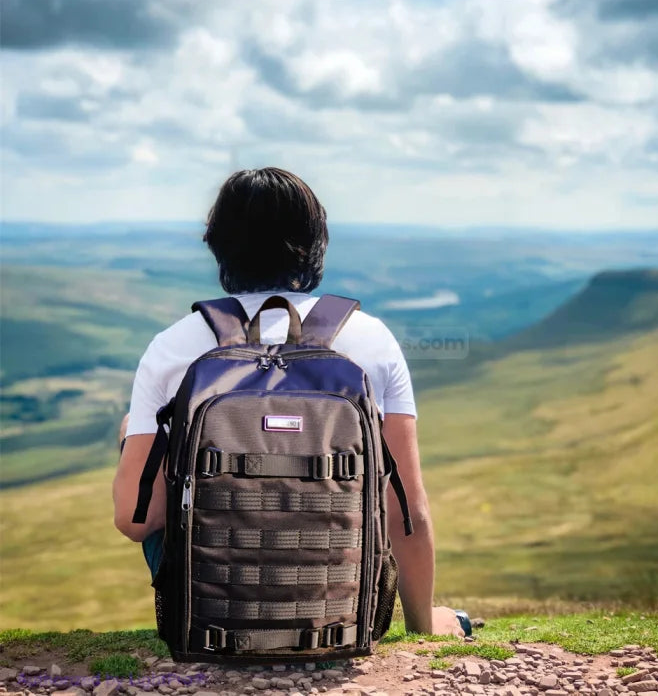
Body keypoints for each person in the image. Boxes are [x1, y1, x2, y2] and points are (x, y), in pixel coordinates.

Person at [112, 167, 464, 638]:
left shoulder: (174, 345)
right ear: (315, 241)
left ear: (218, 243)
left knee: (135, 424)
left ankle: (201, 604)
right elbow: (406, 509)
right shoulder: (371, 341)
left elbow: (138, 521)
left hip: (212, 622)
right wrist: (424, 628)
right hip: (339, 621)